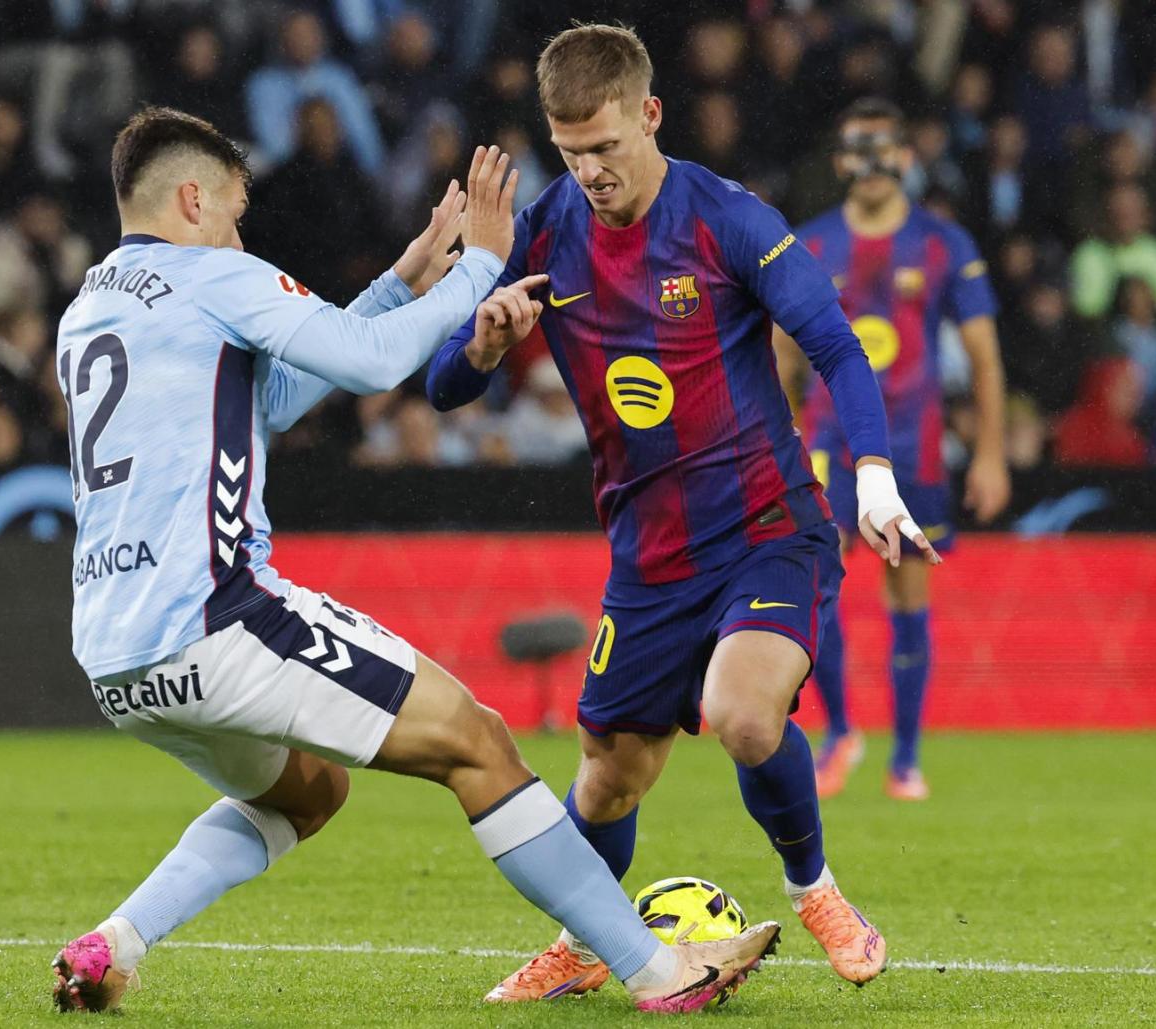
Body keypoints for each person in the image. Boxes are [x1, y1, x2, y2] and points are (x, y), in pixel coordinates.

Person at [47, 108, 781, 1016]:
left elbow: (272, 398)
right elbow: (367, 366)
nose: (240, 238)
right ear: (193, 200)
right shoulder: (212, 273)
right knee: (479, 742)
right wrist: (479, 264)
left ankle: (112, 943)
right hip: (220, 620)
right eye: (235, 216)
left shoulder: (92, 306)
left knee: (307, 793)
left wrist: (400, 282)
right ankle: (660, 972)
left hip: (118, 658)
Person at [426, 24, 934, 1001]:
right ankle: (588, 939)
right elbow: (444, 384)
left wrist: (873, 476)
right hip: (648, 559)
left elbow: (835, 346)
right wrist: (483, 345)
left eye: (605, 147)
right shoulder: (544, 230)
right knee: (607, 775)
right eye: (569, 151)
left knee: (742, 714)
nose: (589, 172)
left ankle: (816, 890)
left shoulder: (726, 218)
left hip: (766, 530)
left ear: (650, 114)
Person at [776, 98, 1009, 803]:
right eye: (858, 148)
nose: (872, 163)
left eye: (884, 148)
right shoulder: (810, 244)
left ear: (907, 158)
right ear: (840, 160)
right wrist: (782, 438)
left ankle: (905, 757)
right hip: (828, 440)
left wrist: (991, 454)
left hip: (915, 444)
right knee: (818, 580)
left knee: (907, 588)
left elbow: (985, 357)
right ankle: (841, 730)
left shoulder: (943, 244)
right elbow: (781, 355)